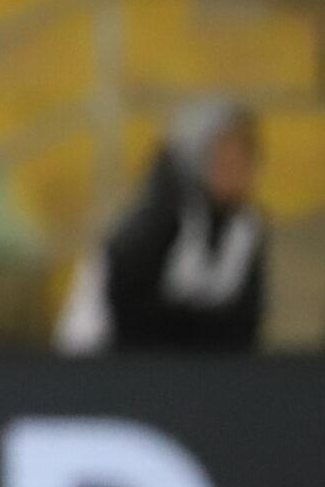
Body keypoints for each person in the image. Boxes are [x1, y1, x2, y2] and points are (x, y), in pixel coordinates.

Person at [56, 99, 267, 353]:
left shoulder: (245, 229)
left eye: (244, 157)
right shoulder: (157, 219)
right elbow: (126, 306)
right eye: (223, 157)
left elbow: (245, 319)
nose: (235, 170)